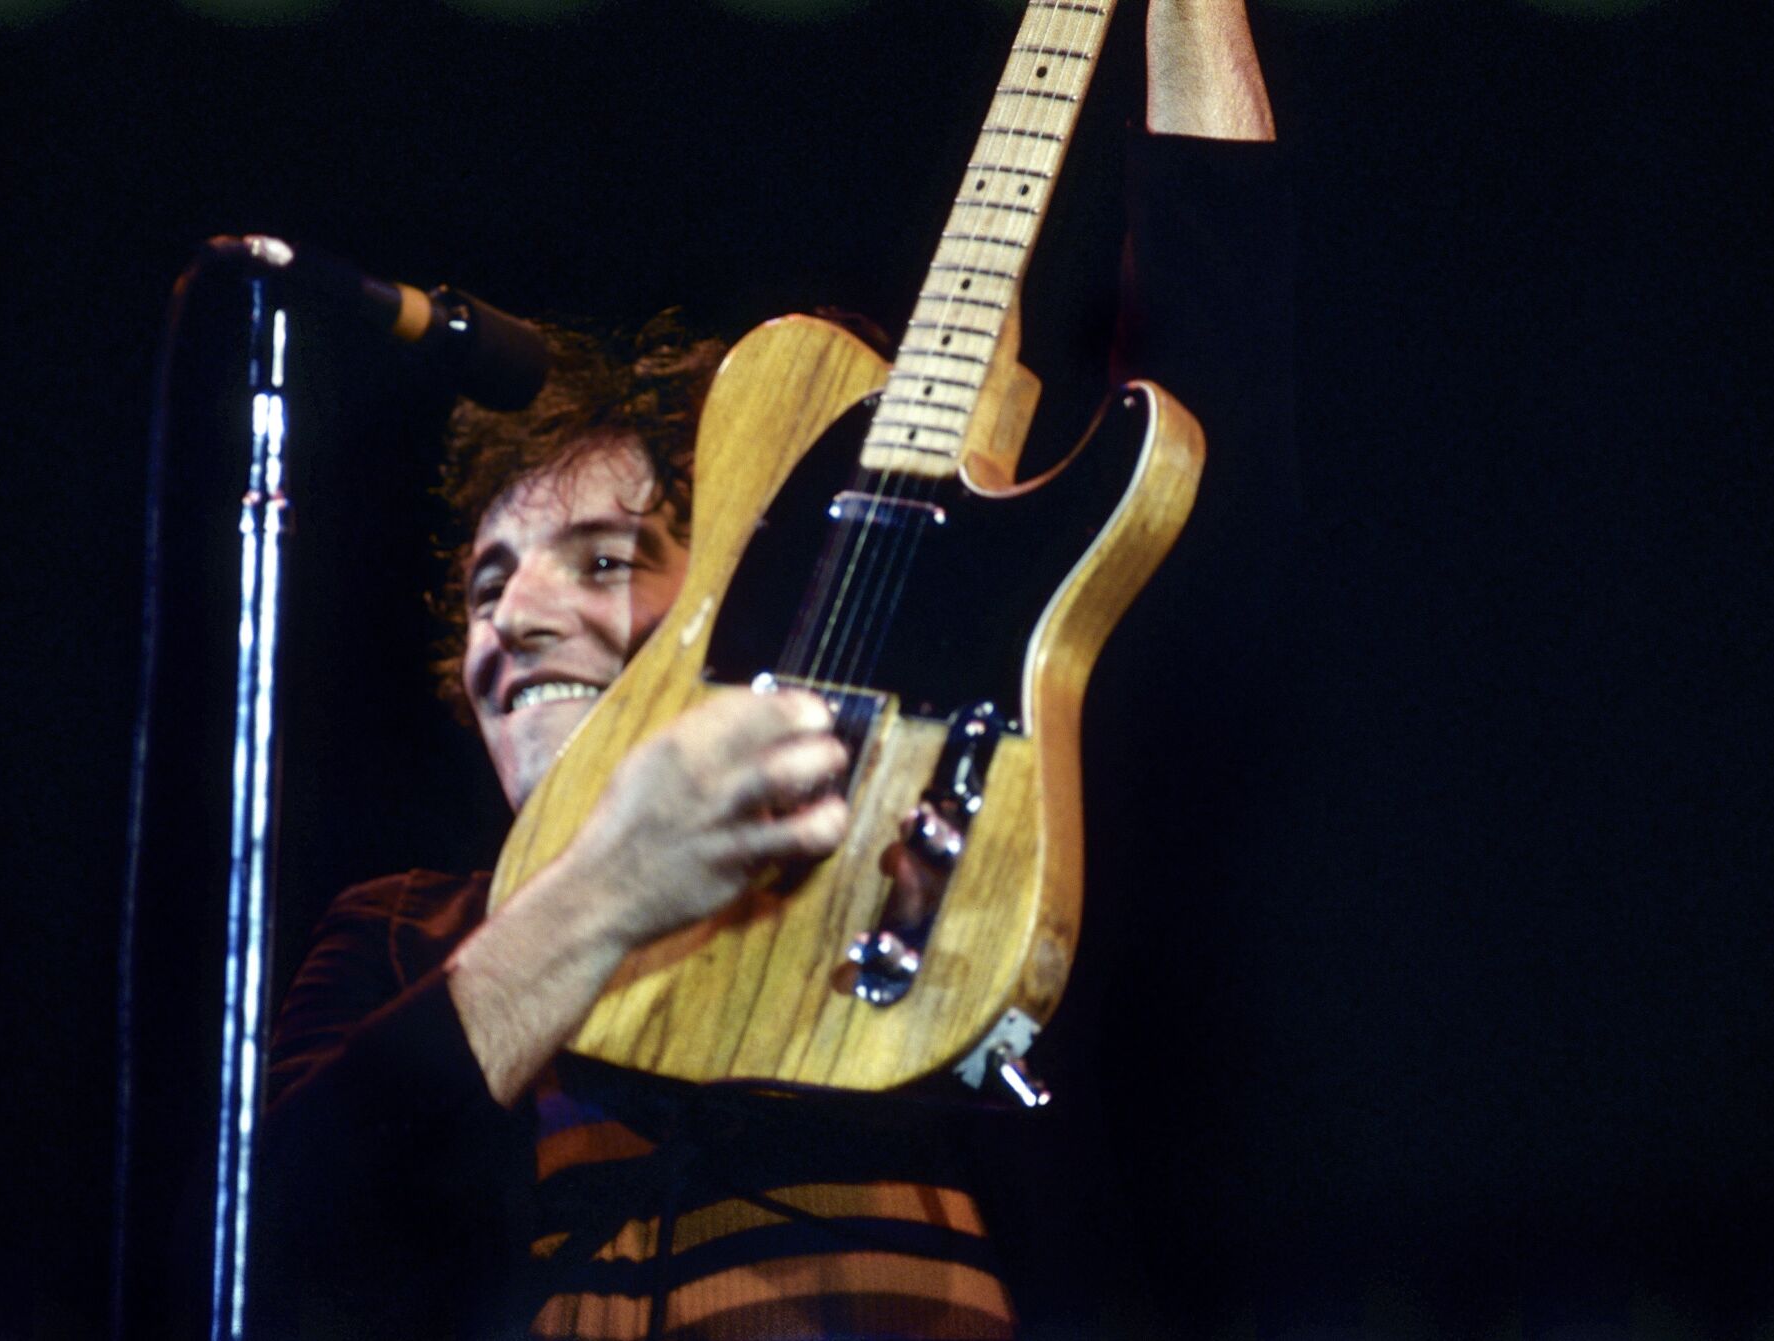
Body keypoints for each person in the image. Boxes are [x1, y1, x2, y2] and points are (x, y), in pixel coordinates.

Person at [253, 2, 1289, 1336]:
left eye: (608, 556)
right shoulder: (400, 939)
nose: (517, 620)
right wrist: (610, 894)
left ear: (741, 596)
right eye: (488, 585)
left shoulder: (970, 869)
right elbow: (247, 1257)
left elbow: (1216, 391)